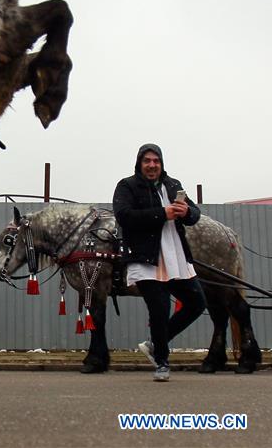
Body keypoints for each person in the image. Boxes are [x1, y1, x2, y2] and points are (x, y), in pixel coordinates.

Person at [112, 143, 205, 382]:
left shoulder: (174, 185)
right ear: (139, 163)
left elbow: (195, 215)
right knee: (160, 310)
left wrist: (187, 213)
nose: (152, 165)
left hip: (176, 255)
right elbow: (124, 216)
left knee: (196, 303)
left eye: (156, 161)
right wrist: (162, 213)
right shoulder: (127, 186)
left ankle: (155, 344)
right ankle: (162, 362)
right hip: (146, 259)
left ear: (161, 164)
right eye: (147, 161)